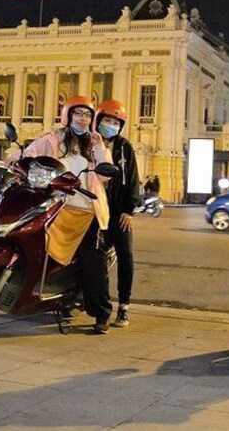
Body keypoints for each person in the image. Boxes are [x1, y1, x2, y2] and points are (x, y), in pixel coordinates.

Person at [22, 96, 114, 334]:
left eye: (87, 115)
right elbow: (27, 157)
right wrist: (11, 162)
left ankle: (101, 313)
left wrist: (100, 146)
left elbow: (105, 176)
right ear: (68, 115)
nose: (83, 120)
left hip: (86, 210)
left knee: (93, 262)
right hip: (55, 206)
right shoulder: (52, 140)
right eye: (79, 114)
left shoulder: (94, 145)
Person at [94, 99, 140, 328]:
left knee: (126, 255)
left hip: (118, 212)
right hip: (93, 210)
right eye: (106, 120)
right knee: (94, 259)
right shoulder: (88, 143)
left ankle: (124, 306)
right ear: (98, 120)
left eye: (115, 122)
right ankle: (91, 300)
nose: (110, 125)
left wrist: (129, 211)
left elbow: (132, 180)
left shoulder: (124, 147)